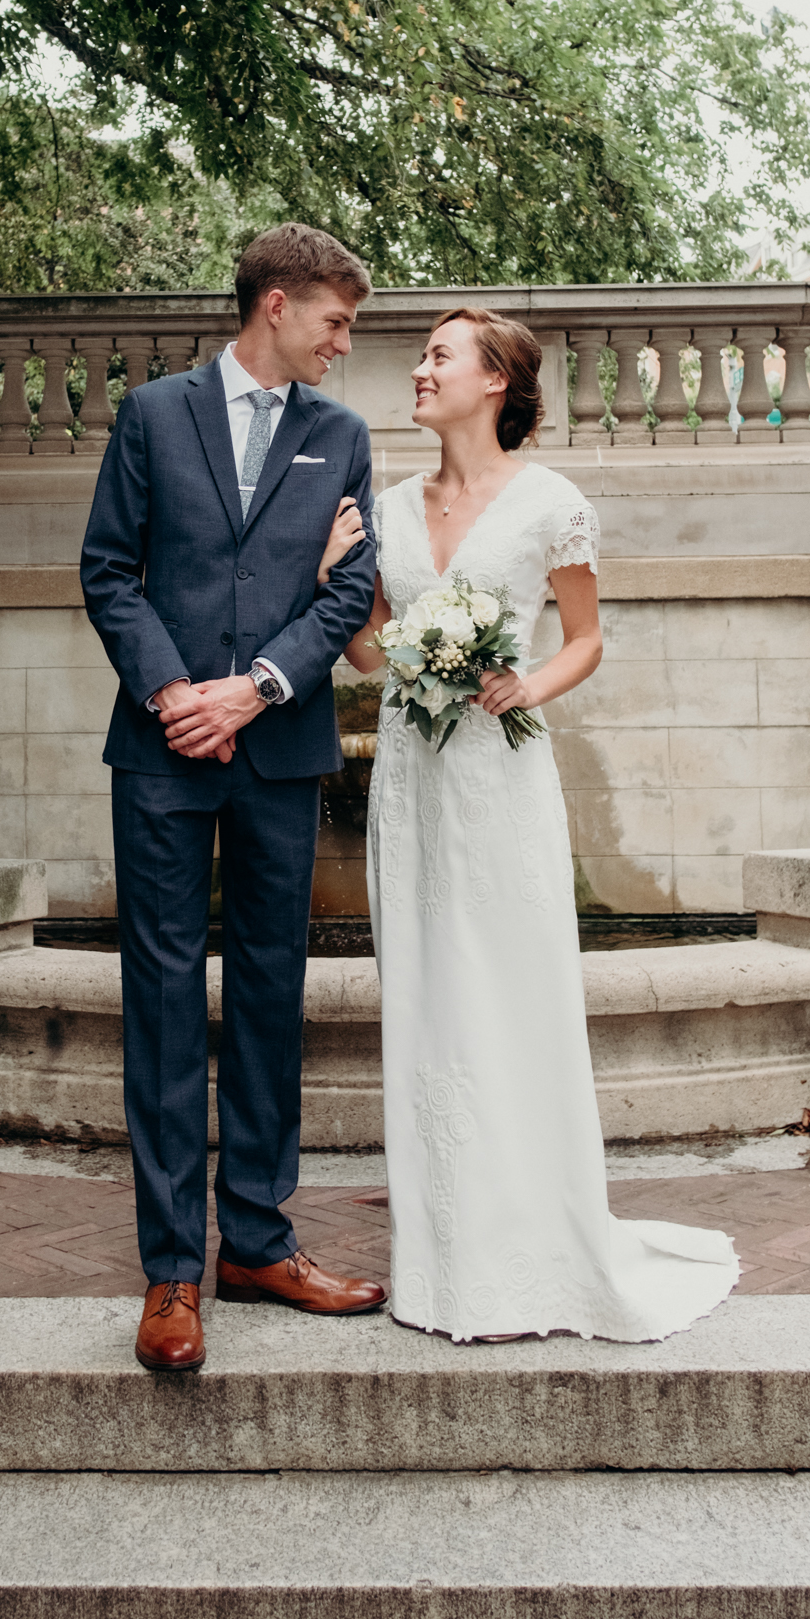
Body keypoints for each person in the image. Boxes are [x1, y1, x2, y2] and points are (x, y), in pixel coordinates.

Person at [342, 309, 740, 1343]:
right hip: (412, 789)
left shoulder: (551, 503)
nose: (420, 369)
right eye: (423, 354)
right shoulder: (384, 508)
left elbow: (587, 638)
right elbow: (375, 660)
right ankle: (441, 1255)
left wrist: (527, 686)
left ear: (495, 382)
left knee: (509, 999)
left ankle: (532, 1244)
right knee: (426, 998)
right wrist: (331, 587)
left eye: (440, 355)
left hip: (499, 781)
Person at [80, 223, 389, 1376]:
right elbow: (109, 567)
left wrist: (253, 691)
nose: (343, 343)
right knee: (162, 1003)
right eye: (335, 320)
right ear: (276, 304)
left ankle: (259, 1241)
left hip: (279, 748)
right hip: (163, 751)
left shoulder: (342, 437)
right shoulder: (156, 414)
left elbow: (351, 589)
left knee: (270, 996)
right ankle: (171, 1274)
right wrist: (174, 694)